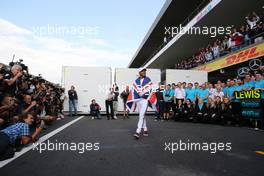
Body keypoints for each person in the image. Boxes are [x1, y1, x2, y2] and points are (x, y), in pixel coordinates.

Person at [126, 68, 156, 139]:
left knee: (141, 115)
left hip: (145, 100)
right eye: (143, 71)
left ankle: (138, 131)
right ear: (139, 73)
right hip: (138, 100)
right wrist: (133, 97)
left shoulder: (148, 79)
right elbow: (133, 91)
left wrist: (144, 94)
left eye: (145, 71)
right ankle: (145, 129)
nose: (144, 72)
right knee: (141, 115)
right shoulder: (136, 81)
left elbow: (151, 89)